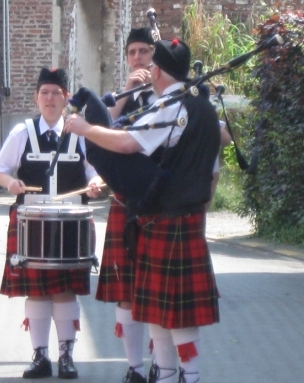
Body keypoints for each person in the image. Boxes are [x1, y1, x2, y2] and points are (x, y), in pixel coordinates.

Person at [65, 39, 220, 383]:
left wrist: (85, 128)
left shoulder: (171, 104)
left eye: (152, 66)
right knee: (159, 312)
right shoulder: (204, 109)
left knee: (173, 315)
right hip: (185, 215)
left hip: (166, 215)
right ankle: (171, 375)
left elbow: (127, 143)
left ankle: (184, 376)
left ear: (159, 70)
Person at [0, 67, 103, 380]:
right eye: (45, 93)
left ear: (66, 98)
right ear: (36, 97)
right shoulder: (22, 132)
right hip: (31, 219)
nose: (50, 98)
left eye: (57, 93)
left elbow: (93, 171)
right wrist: (11, 183)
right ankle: (40, 356)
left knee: (65, 291)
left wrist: (94, 181)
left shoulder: (81, 133)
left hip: (71, 221)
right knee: (37, 292)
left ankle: (66, 355)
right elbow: (0, 169)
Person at [97, 27, 158, 383]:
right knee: (127, 291)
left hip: (158, 204)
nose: (138, 58)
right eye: (132, 52)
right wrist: (124, 93)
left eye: (144, 52)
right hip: (124, 202)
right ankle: (135, 367)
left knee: (156, 290)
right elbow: (100, 133)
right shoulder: (116, 97)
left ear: (154, 57)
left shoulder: (167, 98)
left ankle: (161, 364)